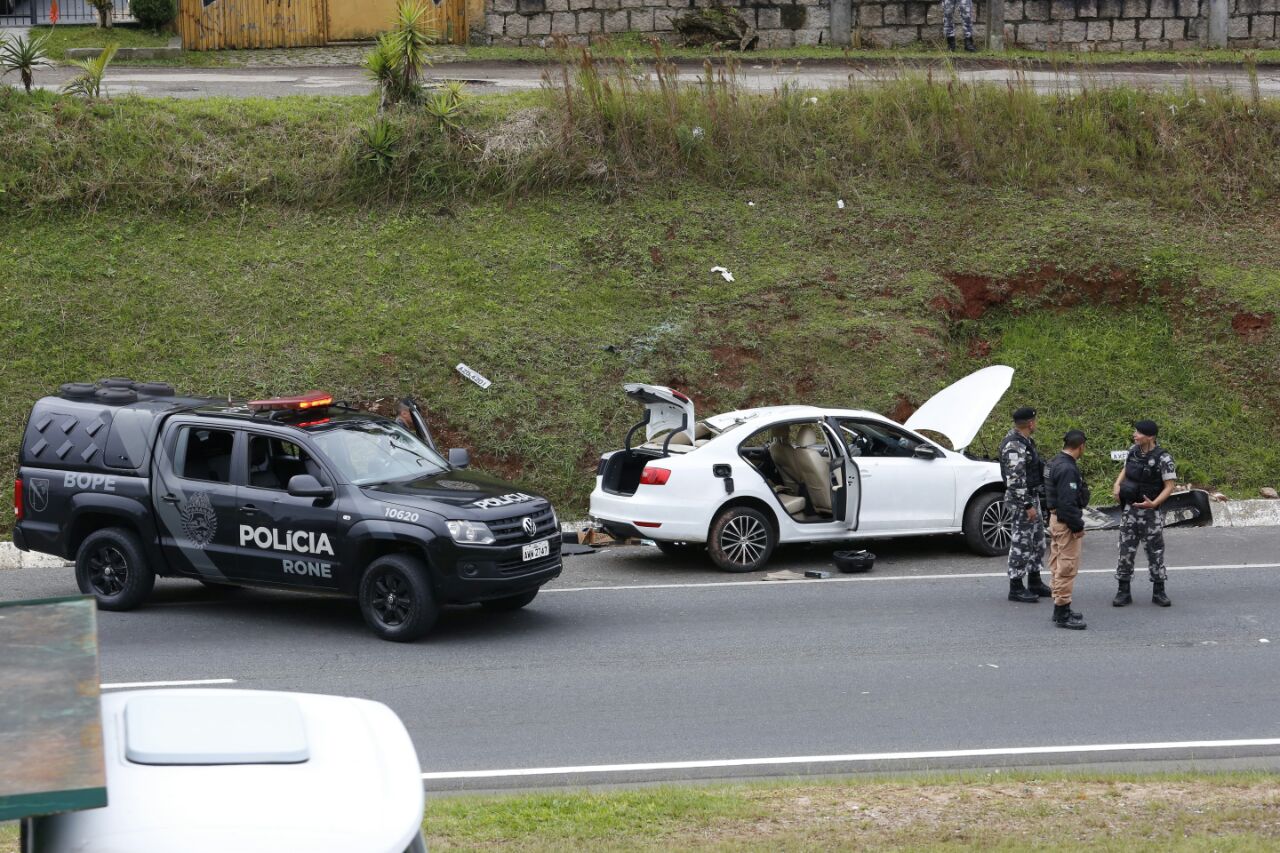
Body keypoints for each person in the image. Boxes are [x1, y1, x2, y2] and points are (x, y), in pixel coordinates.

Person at [1112, 420, 1177, 607]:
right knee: (1125, 551)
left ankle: (1159, 592)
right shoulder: (1133, 450)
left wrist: (1154, 503)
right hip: (1130, 510)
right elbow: (1125, 468)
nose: (1135, 434)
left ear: (1150, 436)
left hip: (1151, 514)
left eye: (1139, 433)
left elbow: (1169, 486)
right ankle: (1123, 592)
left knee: (1155, 552)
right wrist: (1117, 484)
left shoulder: (1163, 458)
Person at [999, 406, 1051, 603]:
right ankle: (1016, 586)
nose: (1035, 424)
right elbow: (1015, 480)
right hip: (1022, 501)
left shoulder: (1024, 441)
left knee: (1037, 541)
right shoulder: (1014, 445)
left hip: (1031, 496)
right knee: (1021, 543)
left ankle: (1035, 580)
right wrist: (1027, 505)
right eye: (1034, 421)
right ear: (1030, 423)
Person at [1046, 430, 1090, 630]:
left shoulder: (1054, 462)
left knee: (1057, 563)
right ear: (1081, 446)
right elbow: (1067, 502)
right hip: (1065, 522)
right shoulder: (1067, 469)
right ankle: (1063, 612)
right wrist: (1077, 526)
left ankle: (1059, 607)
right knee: (1067, 566)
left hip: (1054, 519)